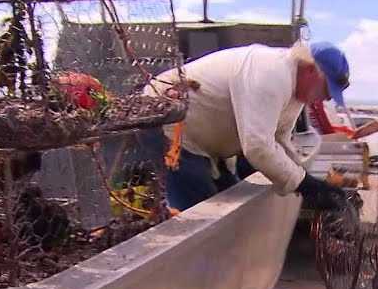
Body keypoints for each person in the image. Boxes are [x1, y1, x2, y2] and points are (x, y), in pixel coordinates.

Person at [141, 39, 351, 212]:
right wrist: (305, 185)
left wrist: (310, 183)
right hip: (170, 123)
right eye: (326, 90)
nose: (326, 99)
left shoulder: (296, 91)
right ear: (310, 70)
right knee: (200, 213)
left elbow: (280, 139)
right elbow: (258, 146)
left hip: (207, 139)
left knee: (231, 204)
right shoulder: (271, 73)